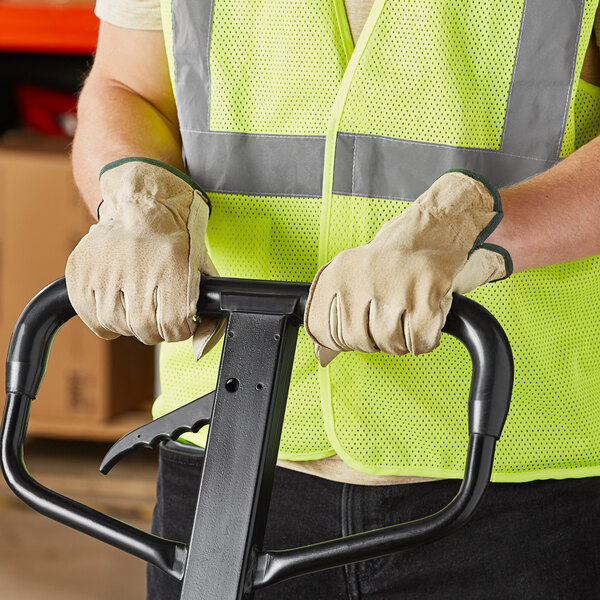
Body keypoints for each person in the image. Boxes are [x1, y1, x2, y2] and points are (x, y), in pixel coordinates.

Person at [67, 1, 600, 598]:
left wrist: (471, 230)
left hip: (517, 470)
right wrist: (136, 195)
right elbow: (126, 86)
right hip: (228, 449)